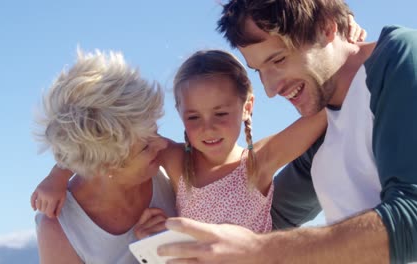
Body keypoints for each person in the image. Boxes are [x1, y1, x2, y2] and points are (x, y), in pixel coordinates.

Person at [156, 0, 417, 263]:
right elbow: (265, 221)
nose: (270, 89)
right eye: (259, 71)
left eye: (278, 59)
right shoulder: (320, 138)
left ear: (326, 27)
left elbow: (412, 219)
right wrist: (166, 233)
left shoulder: (400, 57)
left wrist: (258, 250)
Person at [34, 49, 327, 239]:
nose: (208, 127)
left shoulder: (258, 161)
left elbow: (323, 114)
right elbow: (101, 140)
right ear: (179, 114)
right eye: (193, 116)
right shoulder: (177, 161)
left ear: (247, 106)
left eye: (221, 113)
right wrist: (57, 176)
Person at [33, 50, 176, 264]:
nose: (163, 144)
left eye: (155, 130)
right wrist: (150, 255)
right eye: (145, 146)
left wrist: (58, 174)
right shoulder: (60, 229)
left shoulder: (170, 167)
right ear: (106, 165)